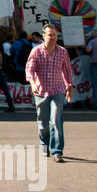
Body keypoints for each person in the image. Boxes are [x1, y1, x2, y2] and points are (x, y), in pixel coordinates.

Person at [25, 24, 74, 162]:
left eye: (54, 35)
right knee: (43, 123)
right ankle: (44, 145)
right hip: (41, 91)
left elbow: (67, 71)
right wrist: (33, 83)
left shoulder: (62, 52)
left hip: (58, 90)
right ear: (43, 36)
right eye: (50, 35)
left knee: (56, 119)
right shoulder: (36, 51)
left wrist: (69, 87)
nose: (52, 37)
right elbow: (29, 70)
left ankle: (57, 151)